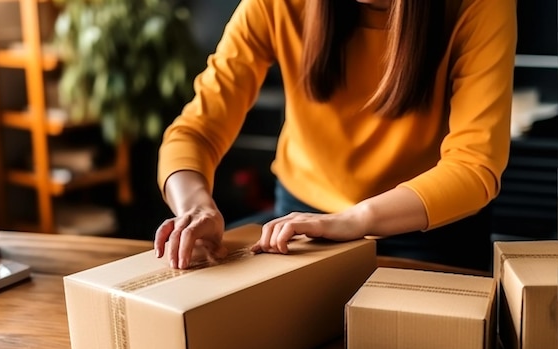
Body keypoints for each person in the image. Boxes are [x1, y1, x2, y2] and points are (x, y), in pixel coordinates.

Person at [153, 0, 517, 271]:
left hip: (431, 229)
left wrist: (355, 220)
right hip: (301, 220)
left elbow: (474, 165)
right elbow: (195, 131)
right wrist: (196, 206)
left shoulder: (480, 5)